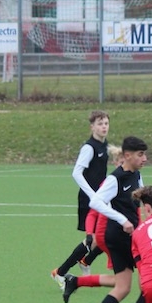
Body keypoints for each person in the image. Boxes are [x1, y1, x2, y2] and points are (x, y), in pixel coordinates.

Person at [68, 135, 152, 303]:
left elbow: (144, 199)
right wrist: (122, 219)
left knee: (122, 287)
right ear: (127, 155)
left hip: (124, 237)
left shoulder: (136, 174)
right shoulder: (116, 179)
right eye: (140, 154)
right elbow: (95, 202)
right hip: (121, 237)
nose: (145, 158)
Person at [51, 110, 110, 288]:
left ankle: (85, 261)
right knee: (92, 239)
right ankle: (60, 272)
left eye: (106, 123)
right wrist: (92, 194)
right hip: (89, 199)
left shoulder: (104, 145)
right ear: (92, 127)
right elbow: (76, 173)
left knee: (106, 236)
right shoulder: (89, 148)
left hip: (101, 198)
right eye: (100, 124)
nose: (104, 127)